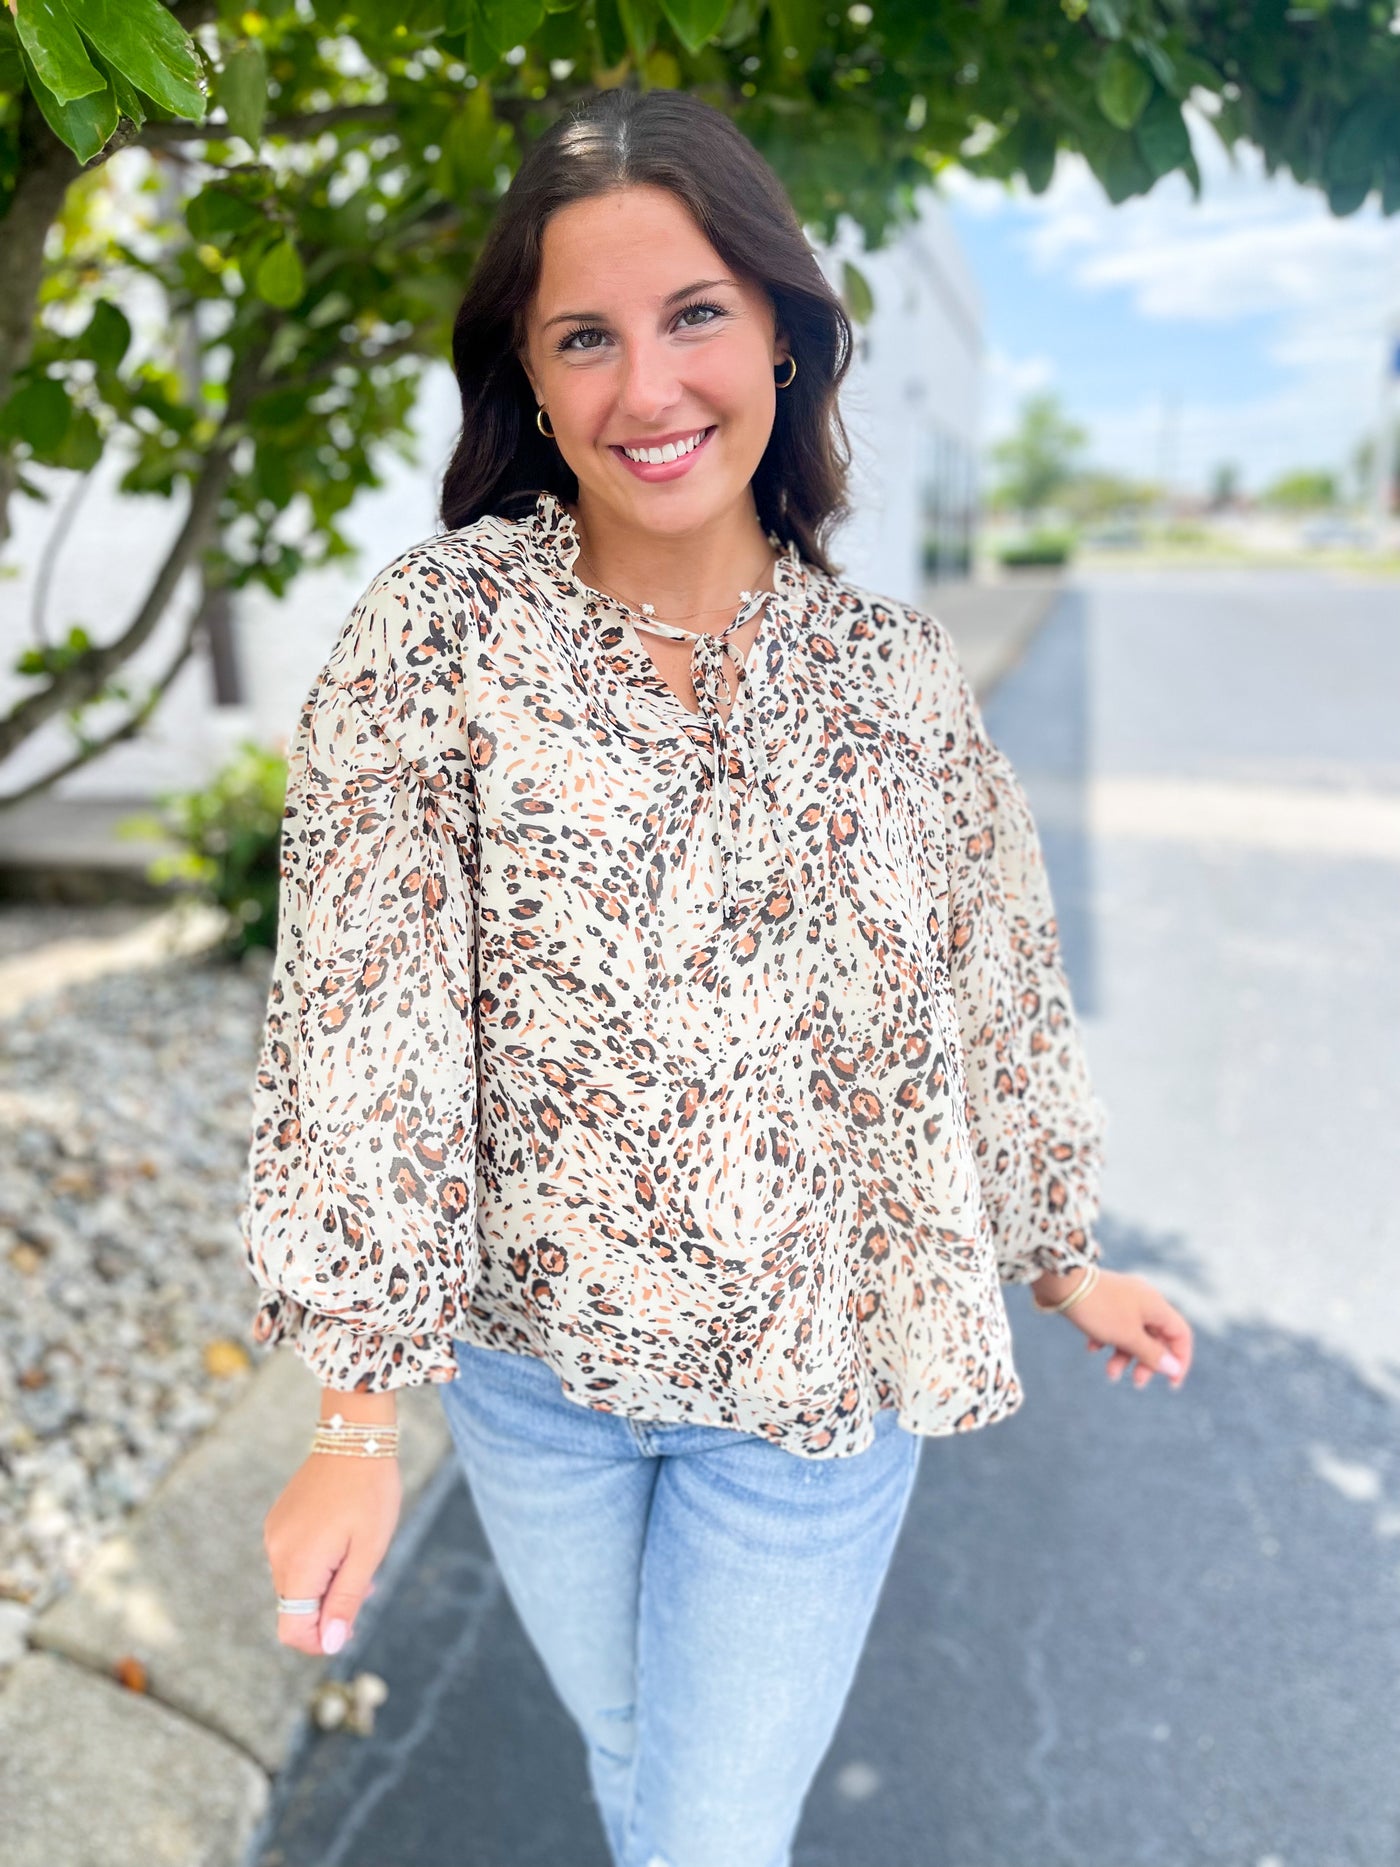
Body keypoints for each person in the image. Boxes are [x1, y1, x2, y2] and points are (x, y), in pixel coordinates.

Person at [244, 86, 1193, 1867]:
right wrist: (355, 1413)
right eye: (583, 337)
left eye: (693, 314)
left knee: (701, 1828)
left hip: (812, 1401)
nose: (648, 386)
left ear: (784, 331)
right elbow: (361, 1025)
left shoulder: (897, 680)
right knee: (646, 1773)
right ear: (530, 380)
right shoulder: (438, 641)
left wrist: (1060, 1255)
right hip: (539, 1384)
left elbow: (991, 985)